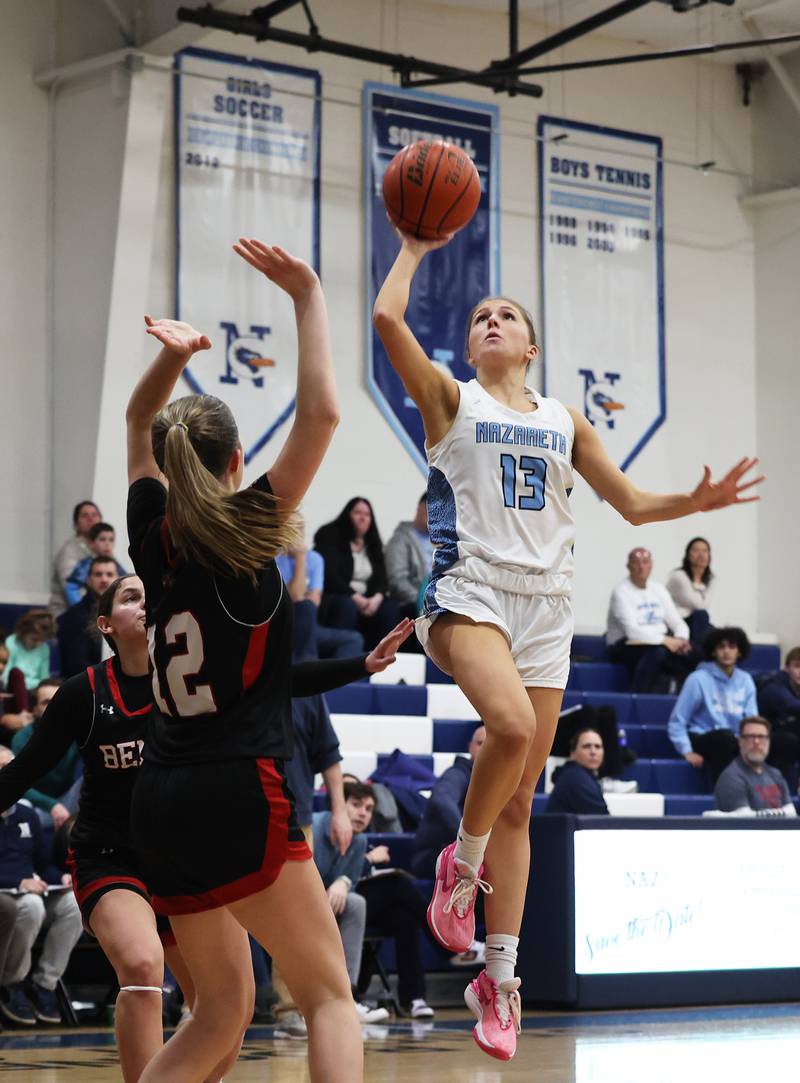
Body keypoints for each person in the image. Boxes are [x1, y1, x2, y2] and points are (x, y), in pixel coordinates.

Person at [373, 229, 762, 1060]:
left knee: (520, 798)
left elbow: (627, 502)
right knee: (509, 732)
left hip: (547, 611)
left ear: (531, 346)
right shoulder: (451, 399)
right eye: (479, 314)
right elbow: (384, 317)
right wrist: (412, 246)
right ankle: (459, 867)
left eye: (505, 314)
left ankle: (498, 978)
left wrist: (696, 500)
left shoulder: (561, 417)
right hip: (469, 593)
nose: (489, 320)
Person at [125, 239, 362, 1083]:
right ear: (234, 463)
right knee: (330, 995)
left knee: (219, 1008)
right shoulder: (253, 526)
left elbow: (135, 426)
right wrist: (306, 295)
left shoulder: (151, 539)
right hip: (238, 788)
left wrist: (171, 363)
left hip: (161, 795)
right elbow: (324, 414)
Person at [274, 618, 413, 1039]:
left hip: (295, 819)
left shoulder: (304, 688)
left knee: (296, 918)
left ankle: (295, 1009)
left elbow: (329, 756)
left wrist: (338, 808)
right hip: (236, 814)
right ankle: (201, 1005)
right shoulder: (235, 680)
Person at [349, 780, 437, 1019]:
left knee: (404, 917)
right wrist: (369, 860)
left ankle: (414, 998)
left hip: (359, 905)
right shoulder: (325, 829)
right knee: (398, 884)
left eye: (368, 809)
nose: (362, 813)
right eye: (356, 805)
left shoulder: (359, 840)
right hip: (334, 905)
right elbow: (334, 877)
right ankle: (444, 942)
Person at [0, 778, 82, 1026]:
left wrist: (61, 877)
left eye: (11, 766)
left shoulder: (27, 813)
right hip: (9, 896)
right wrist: (18, 881)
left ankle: (43, 984)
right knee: (30, 906)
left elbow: (43, 864)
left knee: (73, 904)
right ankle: (12, 984)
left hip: (32, 893)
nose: (9, 773)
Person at [667, 627, 758, 782]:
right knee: (724, 739)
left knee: (782, 741)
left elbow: (752, 719)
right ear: (713, 652)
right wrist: (687, 751)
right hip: (703, 737)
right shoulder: (698, 679)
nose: (726, 652)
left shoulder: (746, 680)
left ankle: (772, 797)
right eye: (721, 647)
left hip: (734, 739)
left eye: (731, 647)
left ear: (739, 652)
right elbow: (677, 721)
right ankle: (727, 798)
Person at [314, 497, 402, 649]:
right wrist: (355, 597)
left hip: (366, 599)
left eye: (367, 514)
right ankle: (341, 656)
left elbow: (382, 577)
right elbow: (330, 576)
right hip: (338, 595)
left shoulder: (373, 542)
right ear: (347, 515)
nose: (362, 518)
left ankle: (382, 656)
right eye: (357, 513)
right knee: (346, 605)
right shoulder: (330, 535)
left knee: (390, 608)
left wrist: (377, 598)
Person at [606, 548, 696, 693]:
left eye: (645, 562)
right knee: (657, 652)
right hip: (626, 644)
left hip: (660, 642)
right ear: (629, 566)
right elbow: (632, 632)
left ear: (651, 565)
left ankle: (679, 697)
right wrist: (666, 641)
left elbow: (677, 621)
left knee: (693, 653)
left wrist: (681, 639)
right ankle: (636, 696)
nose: (641, 567)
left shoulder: (658, 589)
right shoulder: (621, 592)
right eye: (636, 563)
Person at [275, 522, 364, 661]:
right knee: (304, 608)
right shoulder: (274, 559)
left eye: (301, 527)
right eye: (293, 527)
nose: (298, 532)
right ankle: (308, 670)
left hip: (309, 626)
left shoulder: (315, 559)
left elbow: (314, 602)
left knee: (354, 639)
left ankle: (338, 682)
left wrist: (302, 557)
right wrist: (300, 558)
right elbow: (295, 598)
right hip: (280, 627)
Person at [412, 725, 486, 880]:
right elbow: (442, 798)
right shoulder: (458, 773)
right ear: (470, 747)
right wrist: (468, 840)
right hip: (432, 855)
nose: (485, 749)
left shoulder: (497, 780)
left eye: (489, 745)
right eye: (480, 744)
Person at [11, 679, 81, 830]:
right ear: (34, 709)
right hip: (37, 804)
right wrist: (52, 805)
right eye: (46, 702)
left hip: (68, 799)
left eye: (58, 700)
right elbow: (15, 784)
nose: (54, 706)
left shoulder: (76, 731)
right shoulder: (22, 738)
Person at [714, 717, 797, 816]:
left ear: (768, 741)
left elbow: (791, 813)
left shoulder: (775, 774)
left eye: (761, 737)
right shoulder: (731, 778)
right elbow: (744, 822)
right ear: (740, 741)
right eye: (750, 737)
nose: (756, 742)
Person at [57, 556, 118, 677]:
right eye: (98, 574)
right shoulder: (72, 618)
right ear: (88, 579)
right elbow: (76, 666)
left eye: (109, 574)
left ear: (117, 580)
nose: (104, 579)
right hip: (88, 683)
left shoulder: (124, 613)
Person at [49, 500, 102, 617]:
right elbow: (71, 590)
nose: (90, 519)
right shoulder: (69, 552)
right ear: (76, 524)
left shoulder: (101, 549)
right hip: (66, 616)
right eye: (85, 515)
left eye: (94, 515)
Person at [385, 493, 433, 619]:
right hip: (414, 603)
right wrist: (423, 601)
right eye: (432, 508)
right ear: (420, 507)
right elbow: (397, 580)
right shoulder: (400, 539)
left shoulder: (443, 541)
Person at [545, 728, 609, 815]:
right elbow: (603, 821)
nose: (593, 752)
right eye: (586, 746)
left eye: (598, 747)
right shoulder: (576, 778)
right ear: (573, 753)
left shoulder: (578, 775)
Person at [64, 522, 128, 607]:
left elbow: (125, 582)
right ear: (91, 543)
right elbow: (71, 587)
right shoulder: (87, 564)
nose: (107, 544)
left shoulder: (114, 564)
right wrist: (79, 606)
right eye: (102, 539)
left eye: (111, 539)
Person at [666, 537, 715, 645]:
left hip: (696, 622)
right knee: (701, 615)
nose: (701, 555)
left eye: (705, 551)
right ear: (688, 555)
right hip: (677, 622)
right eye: (696, 551)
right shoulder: (678, 576)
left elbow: (705, 604)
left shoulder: (710, 578)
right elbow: (699, 605)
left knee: (719, 634)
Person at [3, 610, 56, 711]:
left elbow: (44, 681)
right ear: (23, 633)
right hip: (14, 691)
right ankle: (25, 713)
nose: (37, 644)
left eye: (41, 640)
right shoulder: (11, 642)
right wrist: (34, 683)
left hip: (35, 692)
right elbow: (6, 679)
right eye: (34, 639)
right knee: (17, 675)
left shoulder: (44, 648)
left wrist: (36, 686)